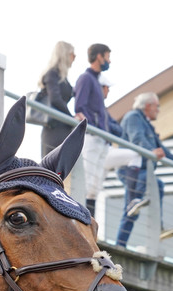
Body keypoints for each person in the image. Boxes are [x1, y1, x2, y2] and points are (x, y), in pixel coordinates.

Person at [114, 92, 173, 247]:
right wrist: (151, 151)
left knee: (155, 188)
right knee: (132, 208)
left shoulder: (146, 123)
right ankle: (120, 245)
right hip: (132, 170)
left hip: (143, 171)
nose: (158, 110)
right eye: (157, 106)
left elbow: (160, 148)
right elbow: (137, 139)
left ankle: (157, 229)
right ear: (148, 106)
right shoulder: (133, 117)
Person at [73, 43, 112, 216]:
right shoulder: (86, 78)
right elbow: (79, 107)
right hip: (92, 136)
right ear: (99, 56)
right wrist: (90, 126)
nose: (109, 61)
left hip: (101, 138)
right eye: (107, 56)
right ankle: (82, 218)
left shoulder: (96, 80)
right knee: (88, 181)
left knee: (96, 184)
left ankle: (89, 220)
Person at [38, 41, 84, 157]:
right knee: (51, 168)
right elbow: (55, 99)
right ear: (65, 54)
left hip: (63, 127)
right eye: (73, 55)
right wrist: (71, 117)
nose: (74, 59)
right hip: (53, 128)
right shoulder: (52, 74)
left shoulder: (62, 77)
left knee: (64, 169)